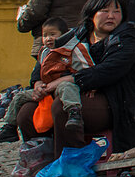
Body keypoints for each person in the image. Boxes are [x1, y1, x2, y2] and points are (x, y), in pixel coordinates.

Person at [71, 0, 135, 155]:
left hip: (117, 105)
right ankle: (38, 159)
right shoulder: (78, 35)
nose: (111, 16)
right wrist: (39, 82)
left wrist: (72, 81)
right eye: (105, 11)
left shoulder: (125, 39)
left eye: (116, 11)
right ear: (92, 14)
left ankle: (69, 161)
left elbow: (107, 72)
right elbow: (52, 55)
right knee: (27, 111)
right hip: (80, 95)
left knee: (62, 108)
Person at [7, 16, 91, 145]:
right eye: (45, 35)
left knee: (66, 87)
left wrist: (90, 87)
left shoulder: (75, 49)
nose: (48, 38)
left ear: (64, 34)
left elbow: (87, 70)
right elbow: (38, 72)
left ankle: (74, 113)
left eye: (52, 34)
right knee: (19, 97)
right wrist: (38, 86)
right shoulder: (45, 52)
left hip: (67, 87)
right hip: (47, 89)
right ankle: (10, 127)